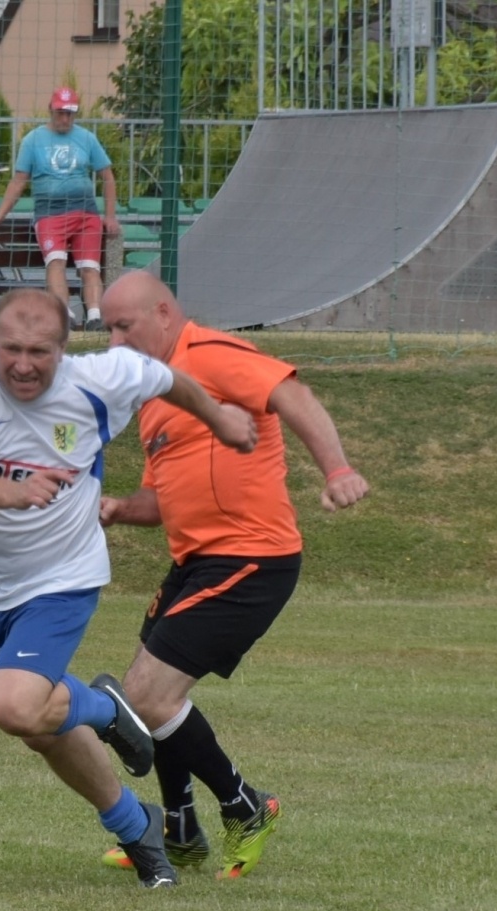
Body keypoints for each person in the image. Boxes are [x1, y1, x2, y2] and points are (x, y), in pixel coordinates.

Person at [0, 288, 259, 889]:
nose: (23, 364)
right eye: (11, 349)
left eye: (39, 352)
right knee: (38, 729)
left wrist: (220, 416)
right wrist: (15, 492)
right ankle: (137, 825)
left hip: (60, 578)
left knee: (13, 705)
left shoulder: (99, 380)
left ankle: (104, 709)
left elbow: (165, 377)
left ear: (65, 351)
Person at [94, 270, 371, 879]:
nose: (114, 340)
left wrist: (336, 470)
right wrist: (116, 509)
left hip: (251, 557)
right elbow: (160, 501)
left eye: (125, 325)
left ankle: (246, 805)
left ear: (164, 313)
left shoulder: (210, 354)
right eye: (106, 328)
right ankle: (181, 829)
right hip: (196, 560)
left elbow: (292, 394)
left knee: (144, 695)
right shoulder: (155, 399)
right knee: (153, 698)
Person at [0, 88, 119, 333]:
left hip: (85, 213)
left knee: (90, 267)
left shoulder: (86, 138)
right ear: (50, 110)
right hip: (49, 214)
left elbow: (107, 176)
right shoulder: (33, 140)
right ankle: (64, 316)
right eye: (60, 113)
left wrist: (109, 216)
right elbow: (19, 180)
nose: (65, 118)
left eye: (69, 113)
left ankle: (95, 317)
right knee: (55, 262)